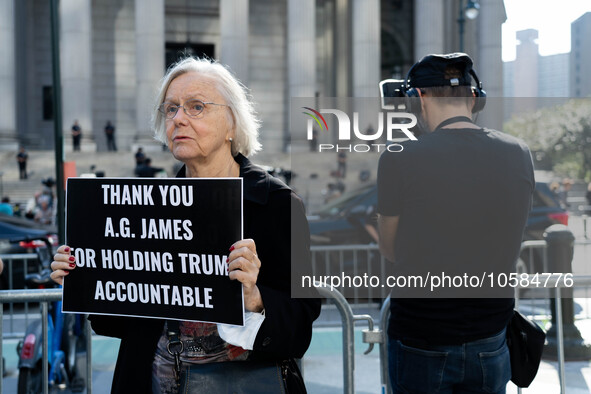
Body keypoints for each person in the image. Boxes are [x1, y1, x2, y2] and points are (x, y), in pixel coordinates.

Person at [51, 57, 321, 393]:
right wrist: (88, 276)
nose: (178, 118)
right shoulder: (144, 206)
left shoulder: (279, 205)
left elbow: (302, 325)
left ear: (232, 124)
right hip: (154, 382)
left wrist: (255, 298)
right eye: (171, 108)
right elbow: (118, 322)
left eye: (196, 107)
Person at [377, 53, 534, 393]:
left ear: (417, 98)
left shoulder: (399, 157)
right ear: (474, 98)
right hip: (492, 337)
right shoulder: (518, 152)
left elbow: (390, 249)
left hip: (421, 338)